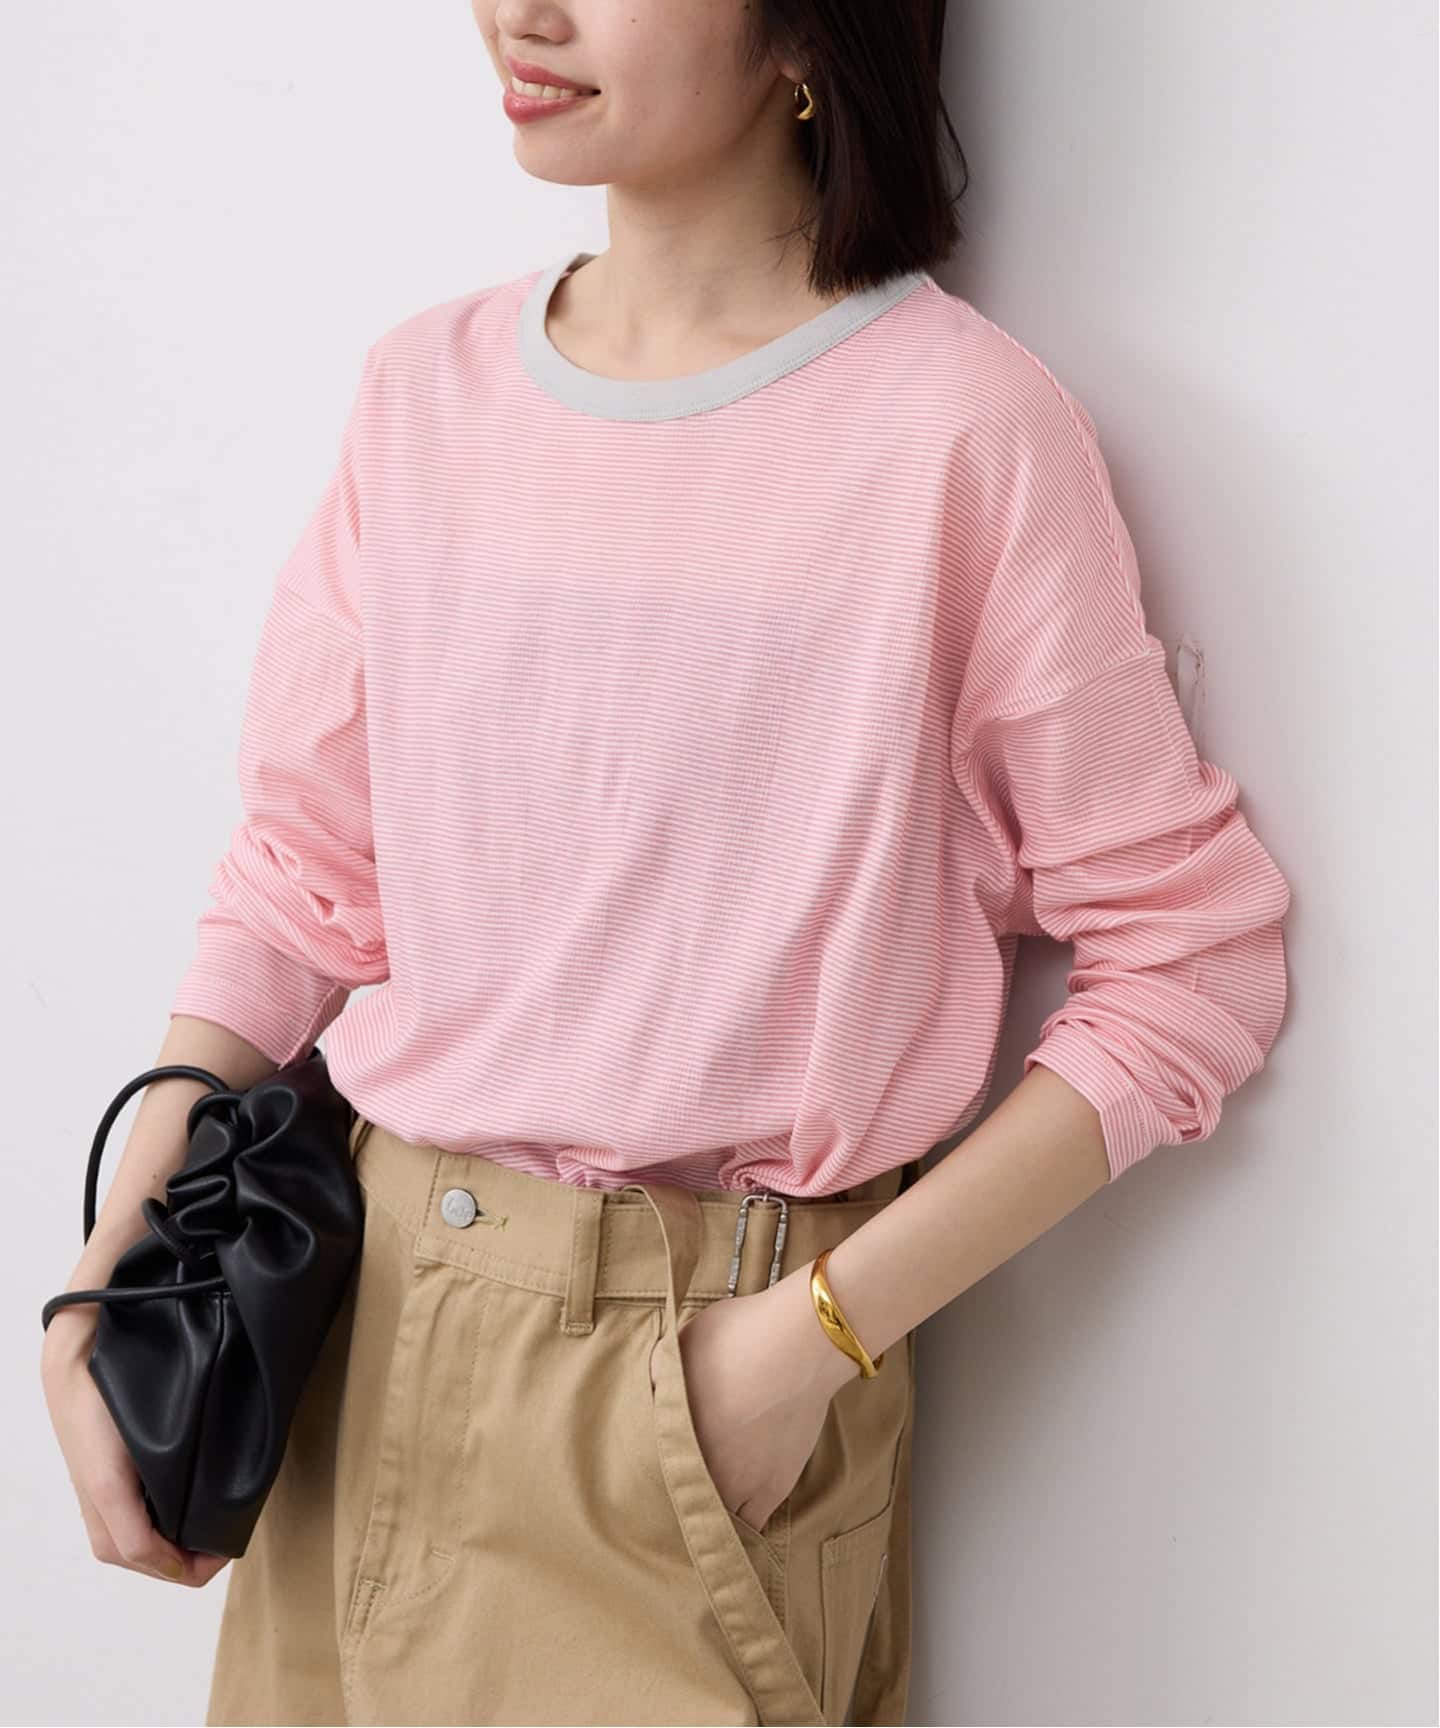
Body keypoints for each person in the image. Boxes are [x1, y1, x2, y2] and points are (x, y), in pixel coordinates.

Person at [40, 2, 1293, 1723]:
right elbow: (304, 873)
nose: (523, 12)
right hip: (355, 1337)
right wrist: (115, 1258)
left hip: (696, 1380)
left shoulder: (958, 431)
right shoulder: (424, 394)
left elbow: (1192, 960)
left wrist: (811, 1341)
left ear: (807, 34)